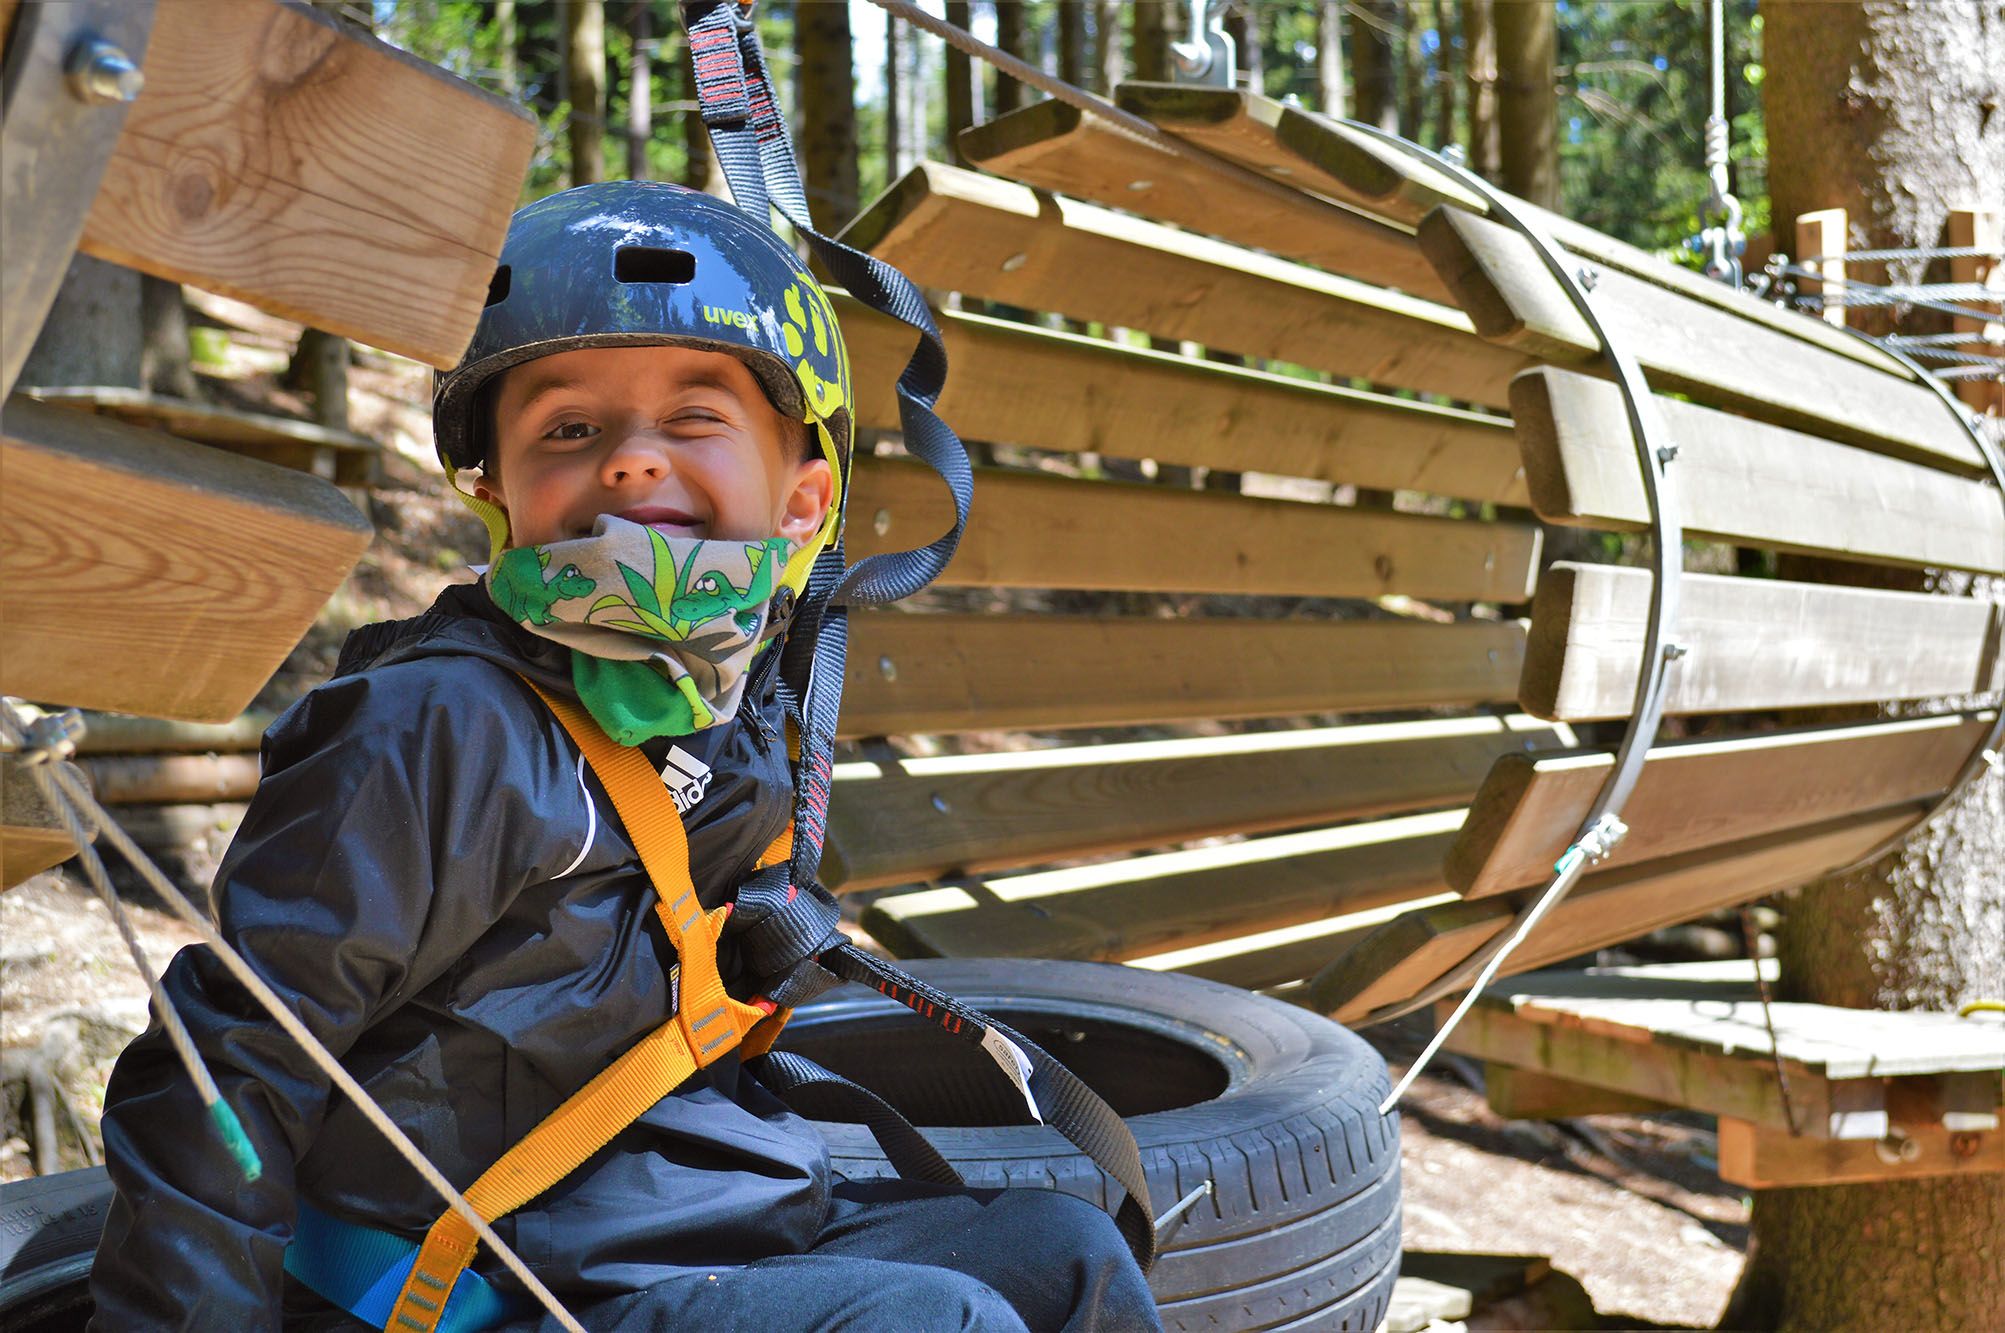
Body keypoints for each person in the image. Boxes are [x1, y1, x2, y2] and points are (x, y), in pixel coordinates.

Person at [88, 181, 1161, 1333]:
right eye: (569, 429)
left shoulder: (730, 713)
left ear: (803, 504)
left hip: (690, 1225)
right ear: (494, 493)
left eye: (695, 417)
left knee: (1064, 1253)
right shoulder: (437, 728)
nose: (633, 463)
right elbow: (227, 1064)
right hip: (477, 1290)